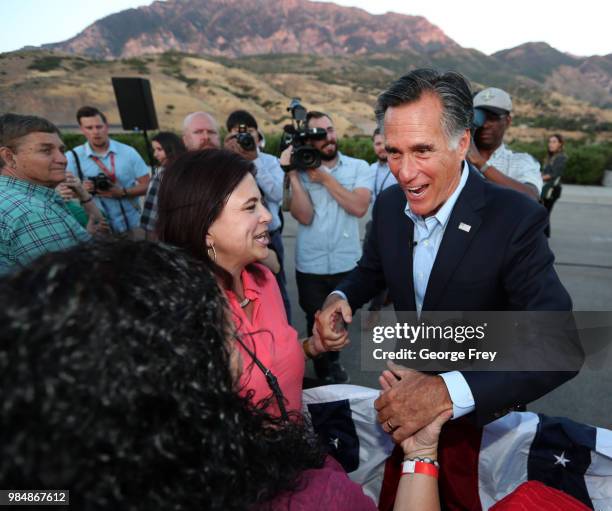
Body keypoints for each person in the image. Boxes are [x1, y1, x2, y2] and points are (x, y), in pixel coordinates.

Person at [0, 240, 388, 510]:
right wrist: (421, 457)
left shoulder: (42, 486)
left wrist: (309, 348)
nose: (267, 215)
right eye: (223, 339)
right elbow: (371, 269)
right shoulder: (311, 495)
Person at [316, 69, 581, 439]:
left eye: (422, 150)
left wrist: (445, 392)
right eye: (394, 152)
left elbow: (559, 343)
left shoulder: (514, 218)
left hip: (483, 425)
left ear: (461, 143)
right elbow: (371, 270)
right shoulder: (391, 205)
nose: (405, 174)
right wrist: (341, 296)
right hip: (402, 401)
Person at [156, 149, 347, 417]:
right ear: (206, 226)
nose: (267, 216)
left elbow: (270, 364)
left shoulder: (264, 280)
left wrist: (314, 346)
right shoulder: (184, 312)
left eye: (261, 203)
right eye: (250, 207)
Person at [284, 111, 376, 384]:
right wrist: (293, 174)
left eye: (330, 129)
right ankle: (324, 365)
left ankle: (333, 359)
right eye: (319, 133)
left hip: (346, 261)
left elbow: (358, 207)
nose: (328, 137)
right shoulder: (299, 171)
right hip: (310, 263)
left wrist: (324, 178)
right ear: (308, 141)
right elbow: (304, 216)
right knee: (314, 314)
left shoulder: (359, 167)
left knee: (340, 317)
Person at [0, 113, 90, 275]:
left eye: (62, 150)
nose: (62, 159)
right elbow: (69, 284)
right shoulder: (32, 212)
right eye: (46, 151)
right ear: (9, 157)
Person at [224, 109, 291, 321]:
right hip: (234, 238)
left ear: (258, 134)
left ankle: (284, 327)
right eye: (237, 133)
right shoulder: (222, 163)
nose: (243, 137)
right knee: (239, 290)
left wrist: (254, 160)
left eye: (248, 132)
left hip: (269, 236)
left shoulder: (269, 162)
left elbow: (278, 194)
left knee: (277, 288)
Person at [66, 106, 150, 236]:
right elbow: (65, 194)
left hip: (133, 226)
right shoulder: (72, 157)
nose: (95, 132)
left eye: (99, 127)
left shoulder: (128, 152)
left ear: (106, 126)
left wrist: (122, 192)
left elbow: (148, 186)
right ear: (82, 130)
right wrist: (81, 190)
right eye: (89, 128)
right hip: (99, 230)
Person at [467, 87, 542, 200]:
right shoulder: (457, 157)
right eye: (480, 118)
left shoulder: (520, 161)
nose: (485, 125)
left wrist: (480, 163)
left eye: (492, 118)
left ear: (507, 121)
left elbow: (531, 197)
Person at [365, 127, 397, 328]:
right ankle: (380, 300)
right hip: (374, 225)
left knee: (389, 270)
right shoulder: (370, 170)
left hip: (398, 228)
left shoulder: (401, 168)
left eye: (384, 143)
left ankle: (375, 309)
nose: (381, 148)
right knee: (372, 267)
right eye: (377, 144)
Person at [140, 131, 186, 239]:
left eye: (159, 149)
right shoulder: (191, 169)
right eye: (154, 150)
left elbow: (151, 214)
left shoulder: (161, 176)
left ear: (171, 148)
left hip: (166, 235)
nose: (155, 154)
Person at [540, 133, 567, 237]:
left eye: (554, 142)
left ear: (560, 144)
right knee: (543, 213)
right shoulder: (550, 157)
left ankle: (544, 236)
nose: (551, 144)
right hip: (547, 188)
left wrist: (539, 177)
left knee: (544, 213)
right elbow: (545, 172)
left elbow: (554, 174)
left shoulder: (560, 157)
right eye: (550, 142)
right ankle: (543, 235)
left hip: (552, 190)